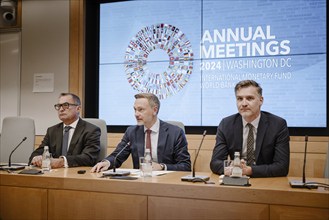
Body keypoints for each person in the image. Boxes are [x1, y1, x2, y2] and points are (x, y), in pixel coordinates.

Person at [91, 93, 191, 173]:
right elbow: (117, 156)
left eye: (141, 110)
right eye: (135, 110)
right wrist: (107, 162)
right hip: (140, 182)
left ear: (154, 110)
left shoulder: (175, 132)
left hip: (167, 183)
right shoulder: (132, 132)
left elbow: (185, 166)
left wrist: (162, 167)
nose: (136, 114)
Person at [210, 80, 290, 177]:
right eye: (239, 99)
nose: (244, 103)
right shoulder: (226, 124)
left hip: (265, 180)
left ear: (261, 100)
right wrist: (230, 167)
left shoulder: (277, 125)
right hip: (235, 181)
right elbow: (215, 163)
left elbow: (282, 167)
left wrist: (249, 170)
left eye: (249, 98)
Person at [29, 93, 101, 168]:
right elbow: (39, 152)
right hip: (54, 174)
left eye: (65, 105)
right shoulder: (52, 130)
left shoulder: (91, 130)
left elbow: (89, 157)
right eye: (59, 106)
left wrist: (62, 161)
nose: (61, 109)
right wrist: (36, 157)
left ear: (78, 108)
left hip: (77, 175)